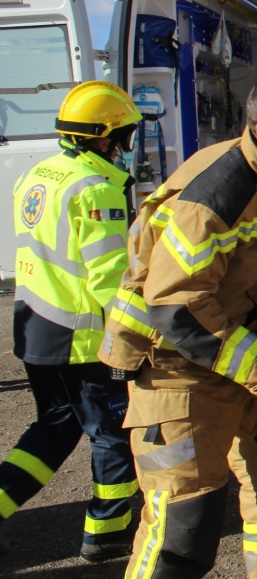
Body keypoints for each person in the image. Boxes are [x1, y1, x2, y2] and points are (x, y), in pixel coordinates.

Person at [100, 70, 257, 578]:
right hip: (179, 368)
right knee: (184, 528)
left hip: (240, 351)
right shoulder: (216, 193)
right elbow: (176, 306)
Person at [1, 82, 141, 562]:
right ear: (103, 138)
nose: (126, 145)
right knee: (112, 432)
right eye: (123, 135)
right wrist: (146, 331)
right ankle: (107, 536)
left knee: (56, 425)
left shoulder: (38, 174)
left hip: (36, 326)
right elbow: (109, 279)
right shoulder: (98, 190)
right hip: (80, 337)